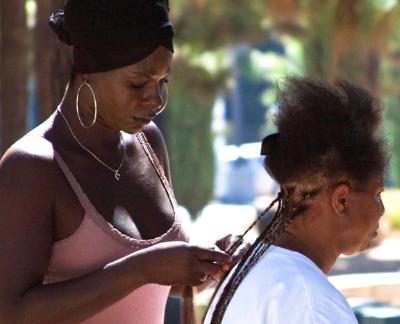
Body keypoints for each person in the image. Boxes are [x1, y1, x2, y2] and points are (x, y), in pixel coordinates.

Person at [0, 1, 246, 323]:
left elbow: (152, 288)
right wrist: (142, 268)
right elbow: (10, 312)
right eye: (137, 84)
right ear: (90, 70)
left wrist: (204, 263)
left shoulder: (150, 142)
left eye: (163, 82)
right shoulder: (33, 168)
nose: (155, 100)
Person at [204, 77, 388, 324]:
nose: (381, 210)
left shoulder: (253, 269)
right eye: (377, 194)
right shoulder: (308, 299)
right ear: (342, 200)